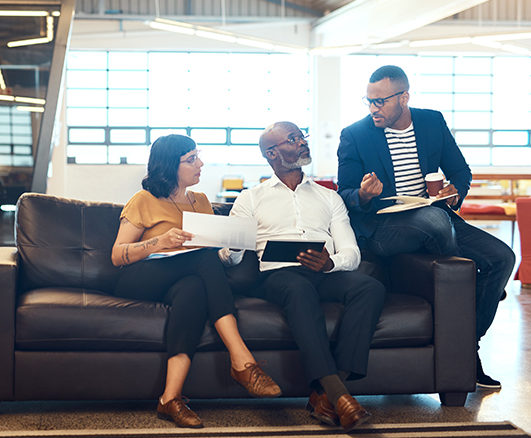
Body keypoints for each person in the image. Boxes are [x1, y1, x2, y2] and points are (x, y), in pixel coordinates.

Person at [337, 65, 516, 390]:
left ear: (404, 97)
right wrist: (364, 194)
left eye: (380, 101)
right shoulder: (355, 134)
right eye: (369, 101)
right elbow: (344, 193)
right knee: (435, 221)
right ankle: (470, 278)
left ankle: (465, 347)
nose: (373, 108)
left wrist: (454, 192)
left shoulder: (431, 122)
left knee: (503, 257)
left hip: (434, 217)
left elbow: (461, 171)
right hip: (382, 227)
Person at [220, 122, 385, 433]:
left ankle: (326, 395)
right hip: (278, 276)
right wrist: (233, 247)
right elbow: (231, 258)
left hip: (323, 271)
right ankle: (342, 397)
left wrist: (330, 263)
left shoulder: (329, 197)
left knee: (370, 287)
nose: (302, 143)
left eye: (302, 137)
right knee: (298, 290)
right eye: (292, 139)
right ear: (272, 152)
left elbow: (351, 251)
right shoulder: (250, 199)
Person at [111, 134, 281, 429]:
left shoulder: (201, 201)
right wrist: (159, 242)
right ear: (168, 166)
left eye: (198, 156)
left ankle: (170, 398)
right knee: (201, 259)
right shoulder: (144, 200)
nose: (200, 164)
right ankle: (242, 361)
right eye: (191, 159)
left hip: (183, 280)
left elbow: (212, 253)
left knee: (195, 288)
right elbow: (117, 256)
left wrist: (235, 243)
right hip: (139, 278)